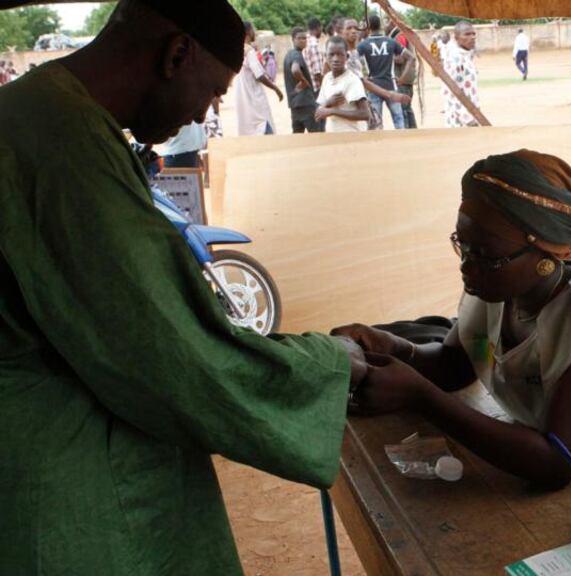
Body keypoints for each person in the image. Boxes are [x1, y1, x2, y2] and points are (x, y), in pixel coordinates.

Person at [0, 1, 369, 573]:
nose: (207, 110)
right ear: (177, 54)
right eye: (213, 91)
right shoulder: (62, 141)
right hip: (63, 474)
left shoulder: (36, 112)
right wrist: (330, 365)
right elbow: (160, 341)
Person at [333, 150, 571, 489]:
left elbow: (558, 463)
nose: (467, 265)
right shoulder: (493, 290)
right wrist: (392, 346)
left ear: (545, 255)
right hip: (554, 478)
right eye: (463, 245)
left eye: (486, 255)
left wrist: (420, 397)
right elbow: (457, 363)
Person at [341, 17, 410, 131]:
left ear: (367, 28)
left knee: (376, 123)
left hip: (373, 87)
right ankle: (402, 145)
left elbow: (358, 71)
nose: (354, 31)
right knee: (399, 120)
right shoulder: (391, 42)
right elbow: (411, 58)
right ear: (380, 25)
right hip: (390, 85)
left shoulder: (363, 45)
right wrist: (402, 78)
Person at [316, 36, 370, 133]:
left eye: (340, 55)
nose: (335, 59)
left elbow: (365, 114)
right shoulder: (327, 78)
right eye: (331, 54)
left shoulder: (352, 80)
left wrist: (333, 111)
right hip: (333, 134)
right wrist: (328, 103)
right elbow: (319, 113)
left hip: (352, 135)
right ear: (325, 56)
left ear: (347, 57)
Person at [237, 21, 282, 135]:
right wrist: (275, 88)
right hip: (255, 101)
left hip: (244, 100)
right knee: (264, 131)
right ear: (247, 32)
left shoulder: (238, 50)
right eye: (253, 30)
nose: (255, 33)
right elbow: (259, 75)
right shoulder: (249, 52)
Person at [442, 21, 480, 128]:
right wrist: (467, 119)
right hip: (460, 121)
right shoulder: (454, 58)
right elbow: (449, 91)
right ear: (456, 38)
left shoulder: (465, 56)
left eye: (473, 34)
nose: (472, 37)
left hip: (472, 115)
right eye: (467, 34)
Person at [284, 26, 321, 134]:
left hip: (294, 104)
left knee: (297, 136)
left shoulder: (288, 55)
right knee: (315, 135)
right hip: (306, 103)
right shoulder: (297, 55)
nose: (303, 41)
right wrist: (304, 82)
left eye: (304, 38)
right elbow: (295, 70)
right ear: (293, 39)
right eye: (299, 38)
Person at [387, 17, 419, 129]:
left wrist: (386, 57)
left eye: (386, 22)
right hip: (407, 78)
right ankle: (413, 132)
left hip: (402, 78)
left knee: (403, 109)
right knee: (407, 108)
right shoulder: (404, 34)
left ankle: (406, 134)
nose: (384, 26)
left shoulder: (399, 36)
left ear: (391, 22)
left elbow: (401, 59)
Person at [304, 17, 325, 92]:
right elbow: (317, 72)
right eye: (321, 28)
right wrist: (325, 89)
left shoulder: (304, 41)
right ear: (318, 28)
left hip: (308, 86)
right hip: (317, 87)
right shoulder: (314, 44)